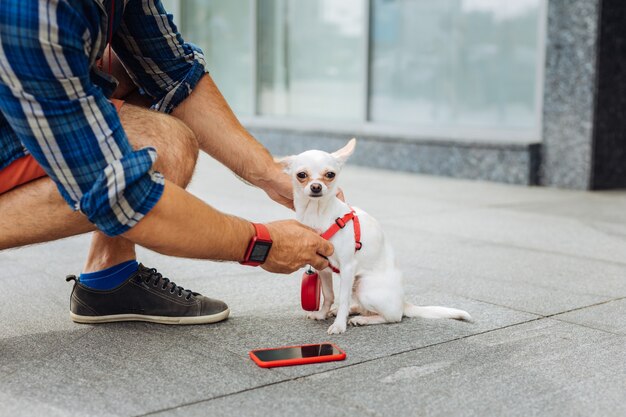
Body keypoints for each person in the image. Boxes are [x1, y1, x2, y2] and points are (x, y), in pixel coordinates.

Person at [0, 0, 333, 325]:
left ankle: (109, 276)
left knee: (130, 72)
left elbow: (172, 73)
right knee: (163, 146)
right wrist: (262, 243)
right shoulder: (37, 13)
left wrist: (274, 175)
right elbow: (121, 195)